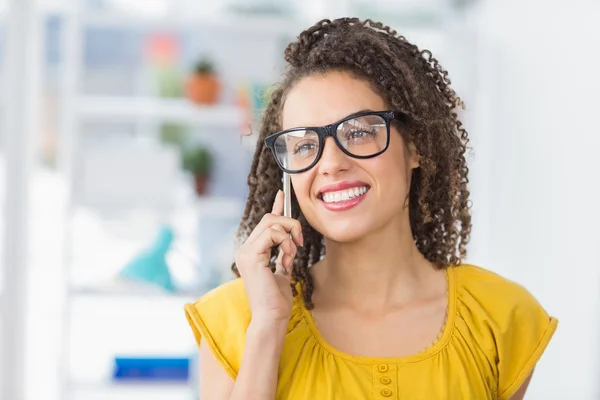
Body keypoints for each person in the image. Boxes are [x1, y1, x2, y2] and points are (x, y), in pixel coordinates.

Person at [184, 17, 558, 400]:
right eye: (303, 145)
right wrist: (268, 326)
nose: (329, 164)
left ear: (415, 146)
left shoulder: (500, 318)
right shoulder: (237, 318)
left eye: (358, 132)